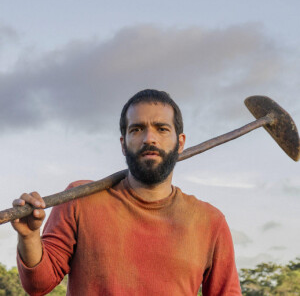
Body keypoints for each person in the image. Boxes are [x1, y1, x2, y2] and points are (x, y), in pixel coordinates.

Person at [11, 89, 242, 295]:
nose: (149, 138)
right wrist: (29, 236)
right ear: (123, 143)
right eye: (137, 129)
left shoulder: (210, 222)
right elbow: (38, 285)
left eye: (162, 129)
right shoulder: (80, 198)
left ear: (180, 143)